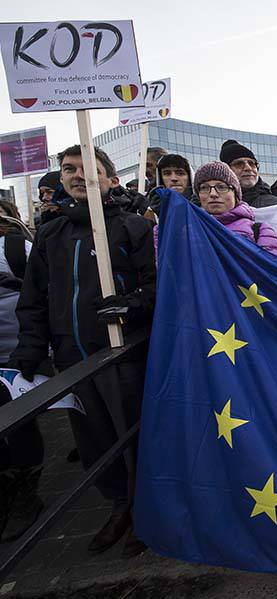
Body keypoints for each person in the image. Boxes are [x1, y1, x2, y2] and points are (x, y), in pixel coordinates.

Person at [11, 145, 156, 557]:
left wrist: (135, 302)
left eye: (87, 169)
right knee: (93, 439)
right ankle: (118, 505)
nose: (76, 175)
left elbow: (157, 284)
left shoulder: (133, 227)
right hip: (72, 360)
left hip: (121, 353)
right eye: (68, 169)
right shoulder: (50, 233)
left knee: (133, 433)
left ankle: (145, 506)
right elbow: (34, 296)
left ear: (110, 178)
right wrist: (31, 346)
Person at [0, 216, 41, 543]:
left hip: (16, 355)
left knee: (20, 424)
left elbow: (44, 290)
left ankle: (28, 489)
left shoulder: (15, 247)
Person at [190, 162, 277, 258]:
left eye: (221, 187)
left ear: (236, 195)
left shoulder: (259, 231)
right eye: (204, 188)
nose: (213, 194)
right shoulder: (186, 231)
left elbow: (275, 270)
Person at [219, 140, 277, 209]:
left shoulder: (276, 204)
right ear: (227, 170)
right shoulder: (214, 205)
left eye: (252, 163)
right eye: (239, 164)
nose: (248, 168)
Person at [147, 154, 194, 219]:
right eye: (167, 173)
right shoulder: (151, 211)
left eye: (180, 173)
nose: (174, 178)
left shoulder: (205, 204)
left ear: (190, 176)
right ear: (161, 179)